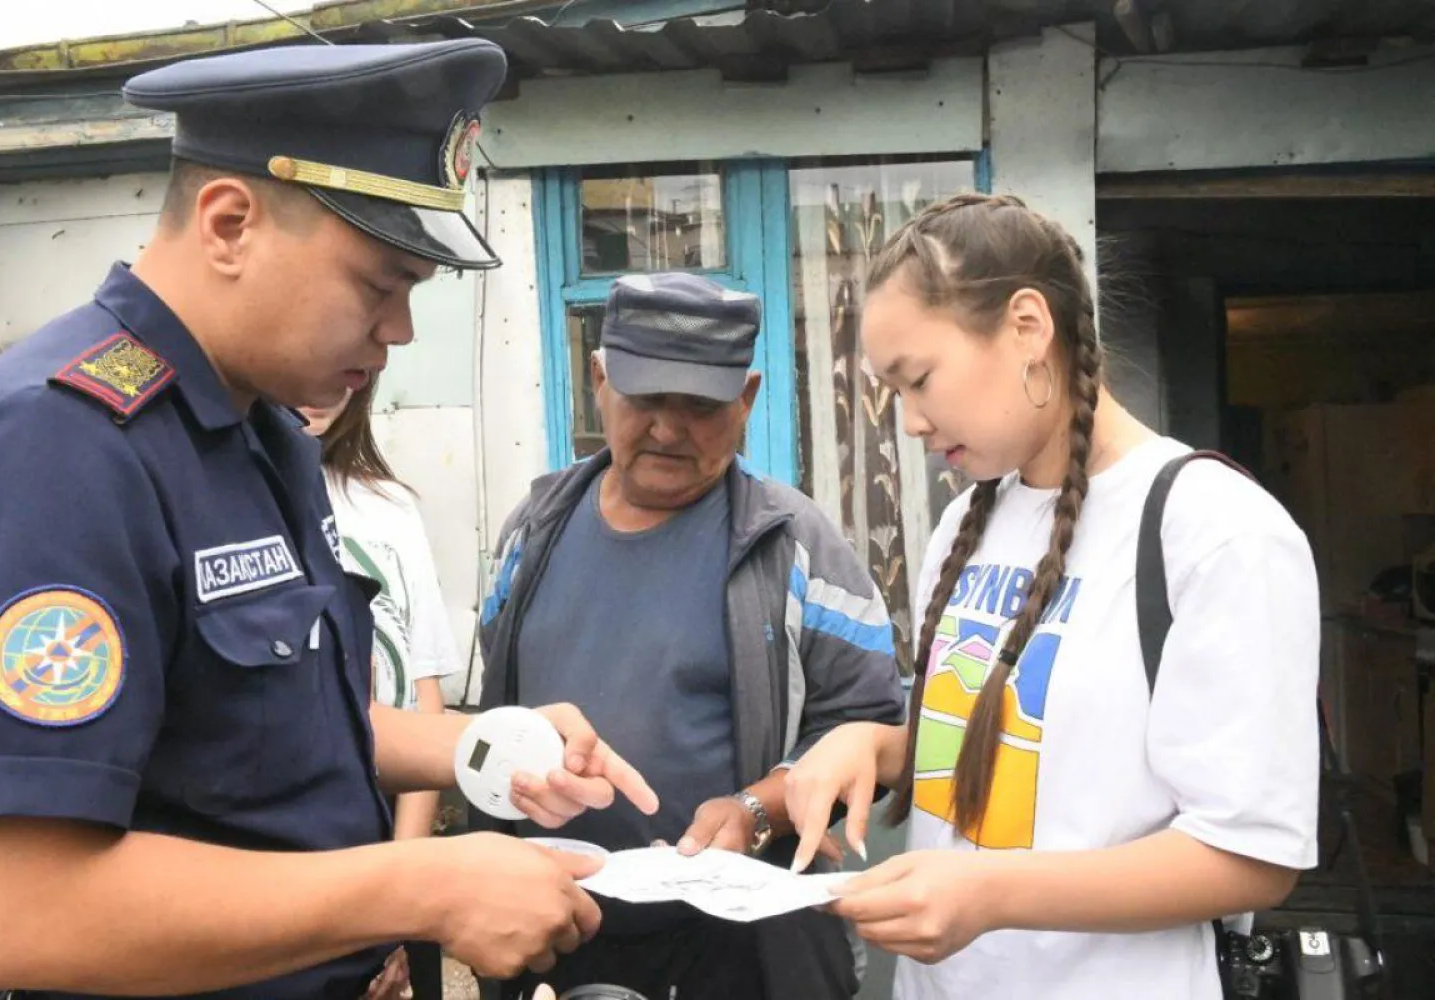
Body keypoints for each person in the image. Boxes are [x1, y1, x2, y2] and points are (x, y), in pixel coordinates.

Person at [0, 40, 659, 1000]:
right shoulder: (56, 448)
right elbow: (14, 917)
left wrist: (482, 744)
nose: (399, 332)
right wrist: (416, 888)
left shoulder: (260, 430)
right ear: (229, 224)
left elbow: (272, 730)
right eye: (379, 284)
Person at [783, 193, 1322, 1000]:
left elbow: (1252, 857)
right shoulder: (969, 520)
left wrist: (990, 893)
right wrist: (876, 746)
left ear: (1029, 327)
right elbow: (1017, 742)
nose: (912, 424)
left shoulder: (1217, 530)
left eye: (919, 379)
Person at [477, 272, 908, 1000]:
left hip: (739, 958)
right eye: (646, 398)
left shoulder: (794, 545)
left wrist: (754, 811)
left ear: (747, 398)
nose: (669, 429)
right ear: (599, 379)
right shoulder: (535, 527)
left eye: (701, 405)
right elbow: (499, 710)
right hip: (552, 939)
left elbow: (869, 730)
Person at [301, 379, 467, 999]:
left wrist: (401, 893)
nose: (326, 385)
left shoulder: (387, 505)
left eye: (352, 371)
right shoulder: (224, 496)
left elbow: (423, 696)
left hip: (392, 840)